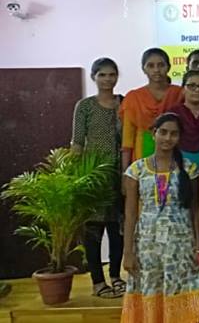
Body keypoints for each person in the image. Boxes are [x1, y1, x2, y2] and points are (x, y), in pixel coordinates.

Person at [120, 113, 199, 323]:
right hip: (147, 245)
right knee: (151, 289)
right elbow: (130, 214)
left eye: (174, 134)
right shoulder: (136, 170)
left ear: (179, 137)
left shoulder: (189, 169)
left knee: (181, 288)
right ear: (154, 133)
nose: (168, 138)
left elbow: (194, 209)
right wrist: (128, 251)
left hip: (181, 244)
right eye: (163, 132)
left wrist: (198, 246)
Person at [72, 57, 125, 299]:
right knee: (93, 231)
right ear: (94, 76)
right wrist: (77, 179)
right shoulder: (84, 106)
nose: (107, 79)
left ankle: (116, 276)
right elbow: (77, 143)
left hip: (120, 175)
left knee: (118, 230)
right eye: (102, 74)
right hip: (94, 176)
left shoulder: (124, 103)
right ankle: (97, 281)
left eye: (111, 74)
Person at [121, 48, 183, 171]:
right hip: (141, 152)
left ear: (169, 67)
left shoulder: (179, 94)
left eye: (161, 65)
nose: (156, 70)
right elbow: (127, 139)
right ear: (143, 69)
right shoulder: (133, 97)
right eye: (151, 66)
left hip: (174, 151)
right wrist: (125, 171)